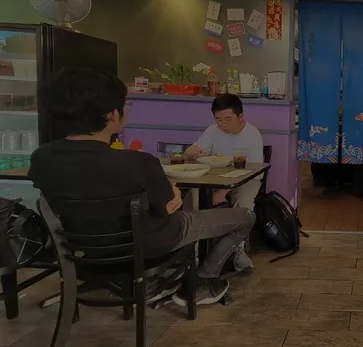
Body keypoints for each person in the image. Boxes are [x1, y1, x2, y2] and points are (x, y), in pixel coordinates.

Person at [29, 69, 255, 306]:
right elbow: (168, 208)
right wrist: (173, 192)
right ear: (112, 115)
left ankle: (153, 281)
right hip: (151, 243)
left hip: (84, 247)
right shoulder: (139, 163)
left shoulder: (41, 159)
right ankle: (201, 282)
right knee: (245, 217)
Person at [184, 94, 264, 273]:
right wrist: (191, 151)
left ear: (240, 116)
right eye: (218, 120)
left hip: (246, 180)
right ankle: (192, 248)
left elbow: (253, 169)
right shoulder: (212, 131)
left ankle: (238, 250)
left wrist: (223, 192)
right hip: (214, 179)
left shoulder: (252, 134)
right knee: (193, 197)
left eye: (228, 119)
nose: (223, 125)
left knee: (243, 205)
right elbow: (198, 150)